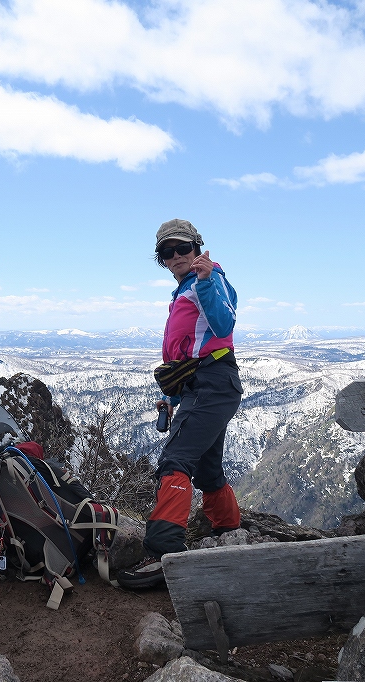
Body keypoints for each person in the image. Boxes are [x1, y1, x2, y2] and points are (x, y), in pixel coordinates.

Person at [117, 219, 243, 589]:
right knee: (206, 469)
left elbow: (223, 325)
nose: (175, 257)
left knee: (176, 461)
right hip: (200, 385)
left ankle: (164, 554)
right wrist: (171, 396)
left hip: (211, 383)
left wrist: (205, 281)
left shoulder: (210, 279)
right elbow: (181, 349)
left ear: (197, 248)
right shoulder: (185, 288)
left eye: (182, 249)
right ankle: (228, 532)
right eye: (166, 253)